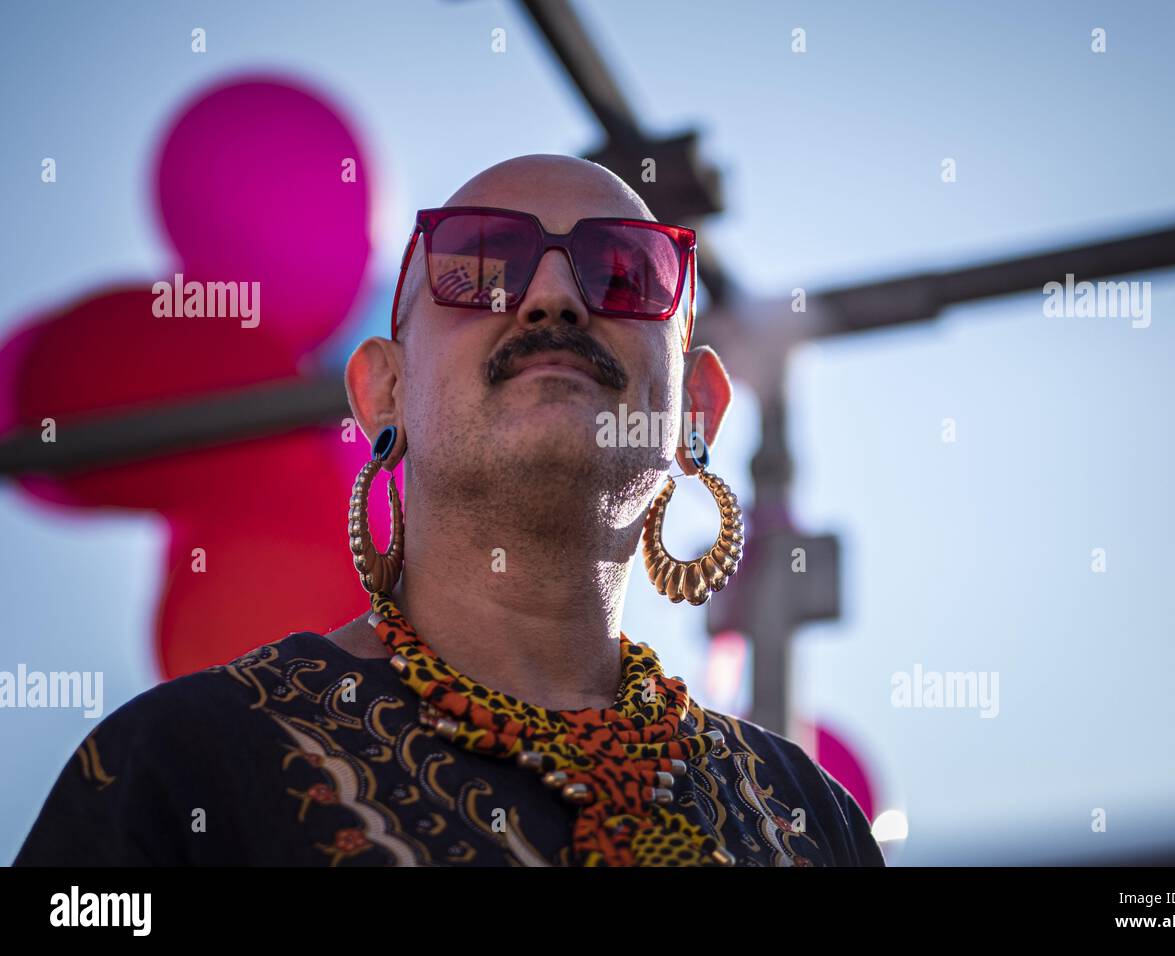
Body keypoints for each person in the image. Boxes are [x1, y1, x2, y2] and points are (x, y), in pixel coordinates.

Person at [15, 155, 884, 867]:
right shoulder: (180, 770)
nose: (552, 300)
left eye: (623, 270)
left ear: (697, 407)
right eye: (478, 265)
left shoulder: (812, 823)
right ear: (382, 392)